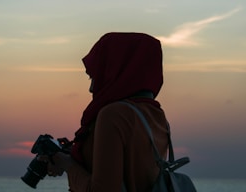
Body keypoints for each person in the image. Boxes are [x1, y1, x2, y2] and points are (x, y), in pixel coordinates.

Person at [40, 32, 169, 192]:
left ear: (114, 71)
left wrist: (67, 165)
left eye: (94, 77)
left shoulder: (114, 115)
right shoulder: (157, 117)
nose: (91, 88)